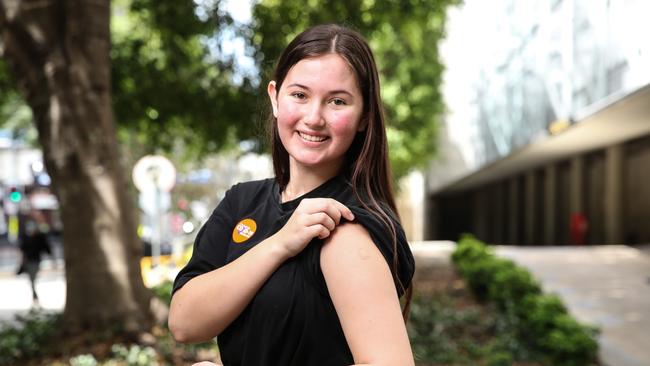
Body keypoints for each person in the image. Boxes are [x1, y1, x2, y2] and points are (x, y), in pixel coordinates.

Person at [169, 24, 415, 366]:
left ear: (364, 117)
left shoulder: (345, 226)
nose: (313, 118)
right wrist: (279, 244)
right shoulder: (242, 202)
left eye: (337, 101)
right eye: (299, 95)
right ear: (274, 97)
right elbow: (184, 322)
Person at [17, 220, 52, 303]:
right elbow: (22, 249)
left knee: (33, 278)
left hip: (36, 261)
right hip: (28, 261)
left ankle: (34, 294)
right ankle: (34, 295)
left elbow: (46, 248)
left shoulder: (39, 238)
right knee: (31, 278)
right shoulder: (26, 238)